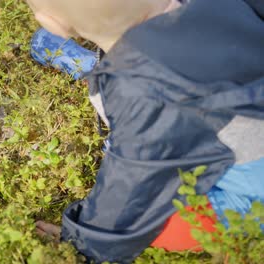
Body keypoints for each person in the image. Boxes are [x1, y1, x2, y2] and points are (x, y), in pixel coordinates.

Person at [25, 0, 264, 263]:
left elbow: (132, 188)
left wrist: (81, 247)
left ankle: (94, 68)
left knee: (171, 229)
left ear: (53, 23)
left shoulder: (149, 96)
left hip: (252, 193)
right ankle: (100, 68)